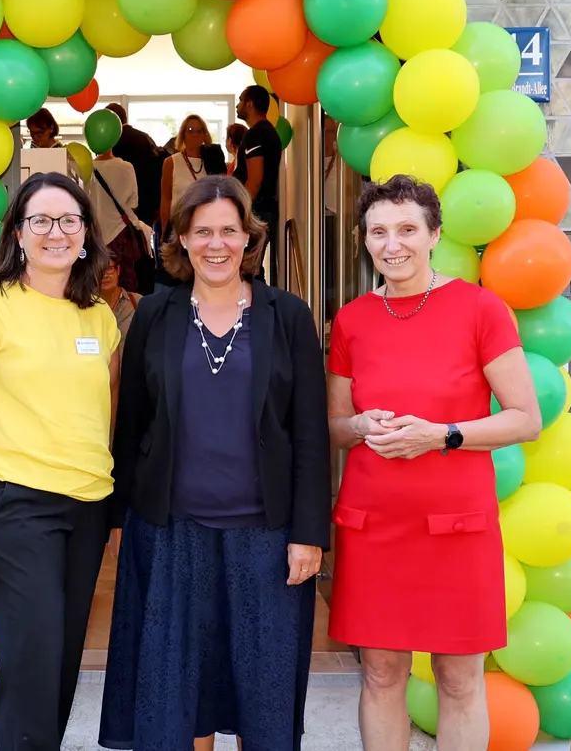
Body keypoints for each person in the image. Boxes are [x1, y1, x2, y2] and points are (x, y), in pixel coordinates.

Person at [100, 175, 332, 751]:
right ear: (180, 238)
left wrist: (309, 535)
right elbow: (130, 426)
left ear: (249, 239)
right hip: (171, 533)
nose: (217, 244)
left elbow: (308, 433)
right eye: (202, 231)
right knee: (180, 692)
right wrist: (119, 523)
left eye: (230, 230)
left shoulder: (289, 316)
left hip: (268, 534)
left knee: (264, 693)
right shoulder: (155, 314)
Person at [325, 175, 542, 751]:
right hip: (373, 525)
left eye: (406, 229)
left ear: (433, 235)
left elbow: (525, 417)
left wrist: (441, 435)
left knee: (459, 677)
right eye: (377, 232)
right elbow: (335, 428)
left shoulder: (480, 309)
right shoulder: (351, 320)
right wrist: (361, 427)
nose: (391, 244)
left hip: (457, 527)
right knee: (380, 673)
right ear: (363, 240)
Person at [0, 171, 122, 751]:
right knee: (32, 659)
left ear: (87, 235)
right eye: (40, 220)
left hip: (87, 508)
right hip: (15, 508)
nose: (56, 232)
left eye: (69, 220)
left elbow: (103, 415)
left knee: (63, 660)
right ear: (18, 233)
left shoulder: (99, 318)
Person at [87, 141, 154, 293]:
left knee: (97, 283)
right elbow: (133, 204)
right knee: (124, 282)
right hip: (121, 233)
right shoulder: (126, 167)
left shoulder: (86, 167)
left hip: (95, 235)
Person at [234, 86, 284, 285]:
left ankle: (254, 311)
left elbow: (255, 179)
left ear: (249, 104)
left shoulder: (256, 134)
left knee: (247, 268)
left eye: (240, 100)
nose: (238, 106)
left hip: (256, 209)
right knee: (251, 266)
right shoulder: (269, 132)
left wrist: (240, 212)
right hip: (263, 208)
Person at [103, 102, 165, 230]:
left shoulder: (112, 142)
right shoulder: (144, 138)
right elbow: (156, 171)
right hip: (147, 203)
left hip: (119, 207)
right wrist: (157, 205)